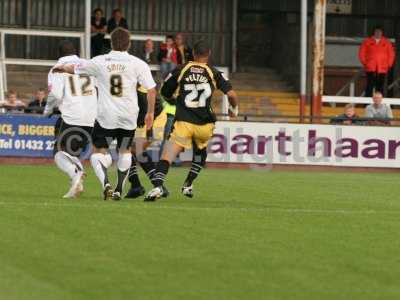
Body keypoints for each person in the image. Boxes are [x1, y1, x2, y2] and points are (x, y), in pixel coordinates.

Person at [54, 28, 156, 201]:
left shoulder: (99, 61)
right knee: (125, 151)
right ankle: (118, 189)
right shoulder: (138, 63)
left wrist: (61, 68)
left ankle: (106, 184)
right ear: (129, 43)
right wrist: (150, 113)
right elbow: (152, 90)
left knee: (98, 151)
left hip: (106, 115)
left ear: (111, 43)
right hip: (129, 115)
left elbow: (75, 68)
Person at [145, 41, 238, 201]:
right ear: (208, 54)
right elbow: (231, 95)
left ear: (193, 54)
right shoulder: (213, 72)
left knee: (167, 155)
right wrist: (233, 109)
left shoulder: (181, 69)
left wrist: (173, 101)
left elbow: (165, 91)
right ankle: (188, 183)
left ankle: (158, 186)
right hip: (205, 124)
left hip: (184, 122)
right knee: (200, 154)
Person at [44, 40, 97, 199]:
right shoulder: (87, 65)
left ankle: (76, 174)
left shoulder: (57, 69)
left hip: (72, 116)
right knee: (72, 153)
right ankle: (76, 183)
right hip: (91, 117)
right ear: (75, 52)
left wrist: (47, 110)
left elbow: (55, 94)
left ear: (58, 54)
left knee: (58, 153)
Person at [125, 86, 168, 199]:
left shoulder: (139, 90)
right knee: (128, 149)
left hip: (155, 119)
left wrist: (149, 134)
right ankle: (150, 185)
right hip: (143, 120)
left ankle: (138, 186)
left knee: (129, 149)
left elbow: (149, 108)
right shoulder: (130, 86)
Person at [359, 26, 395, 97]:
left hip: (382, 68)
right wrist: (365, 63)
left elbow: (391, 54)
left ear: (382, 33)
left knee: (380, 86)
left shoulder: (387, 42)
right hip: (370, 68)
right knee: (370, 85)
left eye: (380, 31)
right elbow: (361, 53)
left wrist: (389, 64)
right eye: (376, 31)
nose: (378, 33)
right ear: (374, 32)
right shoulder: (367, 41)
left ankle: (379, 103)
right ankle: (367, 104)